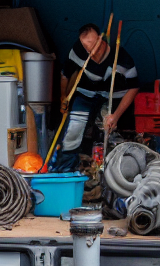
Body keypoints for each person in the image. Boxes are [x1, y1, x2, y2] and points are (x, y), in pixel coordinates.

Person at [51, 22, 139, 172]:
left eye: (92, 45)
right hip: (86, 92)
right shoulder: (78, 51)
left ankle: (108, 172)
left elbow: (134, 87)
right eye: (86, 46)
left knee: (106, 128)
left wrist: (116, 116)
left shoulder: (121, 57)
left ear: (101, 38)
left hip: (113, 96)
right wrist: (63, 98)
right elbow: (65, 75)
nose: (90, 51)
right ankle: (65, 172)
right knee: (73, 129)